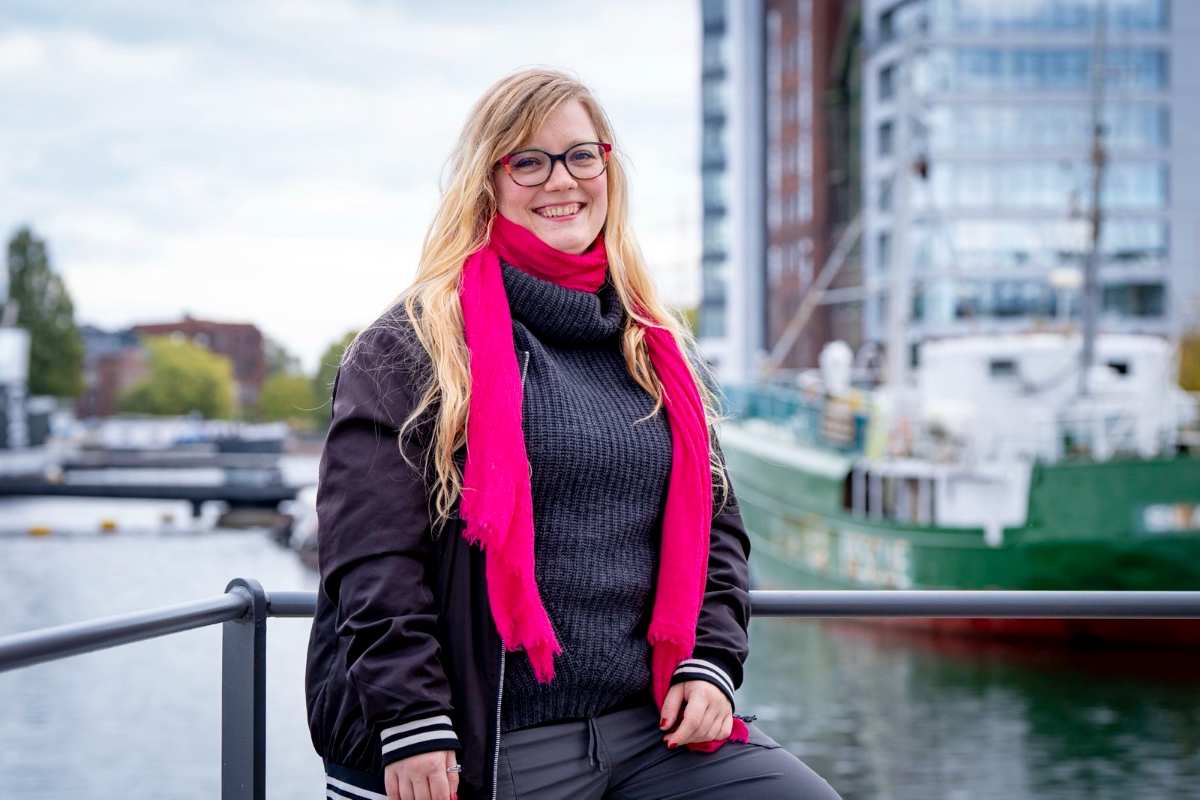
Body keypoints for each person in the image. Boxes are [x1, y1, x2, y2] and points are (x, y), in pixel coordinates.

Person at [304, 68, 841, 800]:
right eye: (528, 160)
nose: (562, 180)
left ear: (607, 169)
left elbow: (719, 531)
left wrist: (711, 662)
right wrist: (414, 720)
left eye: (581, 155)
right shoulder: (413, 346)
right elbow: (370, 554)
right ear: (487, 181)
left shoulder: (654, 347)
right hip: (486, 741)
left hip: (653, 733)